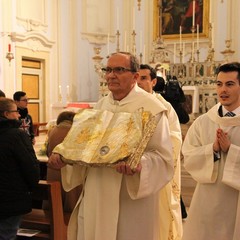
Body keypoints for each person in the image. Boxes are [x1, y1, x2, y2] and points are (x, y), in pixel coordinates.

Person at [48, 52, 174, 240]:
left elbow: (164, 158)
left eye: (119, 70)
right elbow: (84, 147)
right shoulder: (99, 107)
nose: (111, 75)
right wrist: (63, 157)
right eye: (108, 70)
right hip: (96, 192)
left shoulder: (151, 108)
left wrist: (140, 164)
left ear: (135, 76)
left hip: (130, 196)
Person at [182, 62, 240, 240]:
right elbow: (189, 155)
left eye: (229, 84)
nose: (223, 90)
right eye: (219, 84)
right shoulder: (204, 121)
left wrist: (231, 150)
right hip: (207, 198)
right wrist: (213, 149)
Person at [137, 64, 183, 240]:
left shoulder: (163, 107)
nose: (139, 82)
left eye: (144, 78)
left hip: (154, 168)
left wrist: (148, 147)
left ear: (153, 81)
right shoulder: (128, 103)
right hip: (129, 170)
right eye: (137, 78)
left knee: (157, 216)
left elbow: (175, 138)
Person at [0, 98, 40, 239]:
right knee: (7, 235)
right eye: (15, 111)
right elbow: (30, 166)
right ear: (6, 114)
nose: (18, 115)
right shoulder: (16, 135)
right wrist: (32, 187)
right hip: (10, 198)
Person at [46, 111, 82, 213]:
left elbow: (47, 150)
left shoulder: (53, 130)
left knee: (55, 202)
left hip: (53, 171)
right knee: (69, 205)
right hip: (68, 171)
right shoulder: (73, 130)